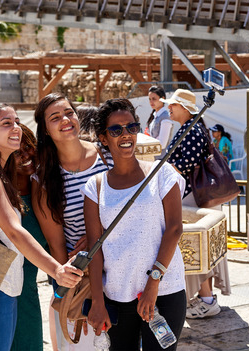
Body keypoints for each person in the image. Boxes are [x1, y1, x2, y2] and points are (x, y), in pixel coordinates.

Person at [0, 102, 83, 351]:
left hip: (1, 285)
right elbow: (15, 231)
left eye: (16, 121)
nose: (15, 128)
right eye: (6, 124)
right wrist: (57, 271)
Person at [83, 98, 186, 351]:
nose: (126, 135)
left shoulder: (162, 173)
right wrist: (98, 301)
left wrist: (153, 283)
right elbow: (94, 249)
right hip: (118, 294)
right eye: (116, 130)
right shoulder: (95, 187)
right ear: (104, 138)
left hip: (165, 289)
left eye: (131, 127)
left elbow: (175, 228)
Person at [31, 93, 113, 350]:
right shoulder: (43, 178)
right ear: (45, 130)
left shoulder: (106, 156)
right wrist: (73, 290)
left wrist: (95, 237)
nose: (65, 120)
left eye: (69, 112)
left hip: (121, 266)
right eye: (55, 117)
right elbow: (56, 245)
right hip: (85, 274)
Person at [161, 89, 231, 319]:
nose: (169, 108)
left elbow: (186, 163)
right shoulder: (192, 128)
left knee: (195, 250)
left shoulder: (191, 131)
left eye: (173, 105)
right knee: (199, 249)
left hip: (193, 197)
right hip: (195, 195)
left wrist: (160, 169)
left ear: (184, 108)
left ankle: (207, 300)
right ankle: (205, 298)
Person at [10, 124, 49, 351]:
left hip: (28, 299)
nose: (25, 154)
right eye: (16, 150)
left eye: (29, 146)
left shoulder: (44, 190)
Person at [146, 86, 175, 158]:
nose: (151, 102)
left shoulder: (165, 117)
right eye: (149, 99)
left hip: (161, 160)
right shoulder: (156, 115)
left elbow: (162, 144)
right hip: (154, 158)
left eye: (154, 99)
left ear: (162, 99)